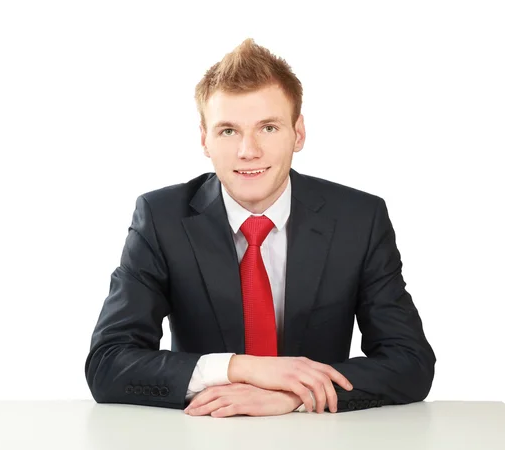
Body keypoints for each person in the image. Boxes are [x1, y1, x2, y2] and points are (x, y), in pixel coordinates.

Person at [84, 38, 436, 417]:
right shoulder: (160, 218)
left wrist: (296, 394)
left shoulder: (359, 219)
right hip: (203, 434)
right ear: (204, 139)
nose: (248, 151)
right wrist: (242, 368)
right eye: (228, 131)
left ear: (297, 133)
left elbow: (410, 361)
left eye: (268, 128)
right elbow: (108, 362)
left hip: (321, 439)